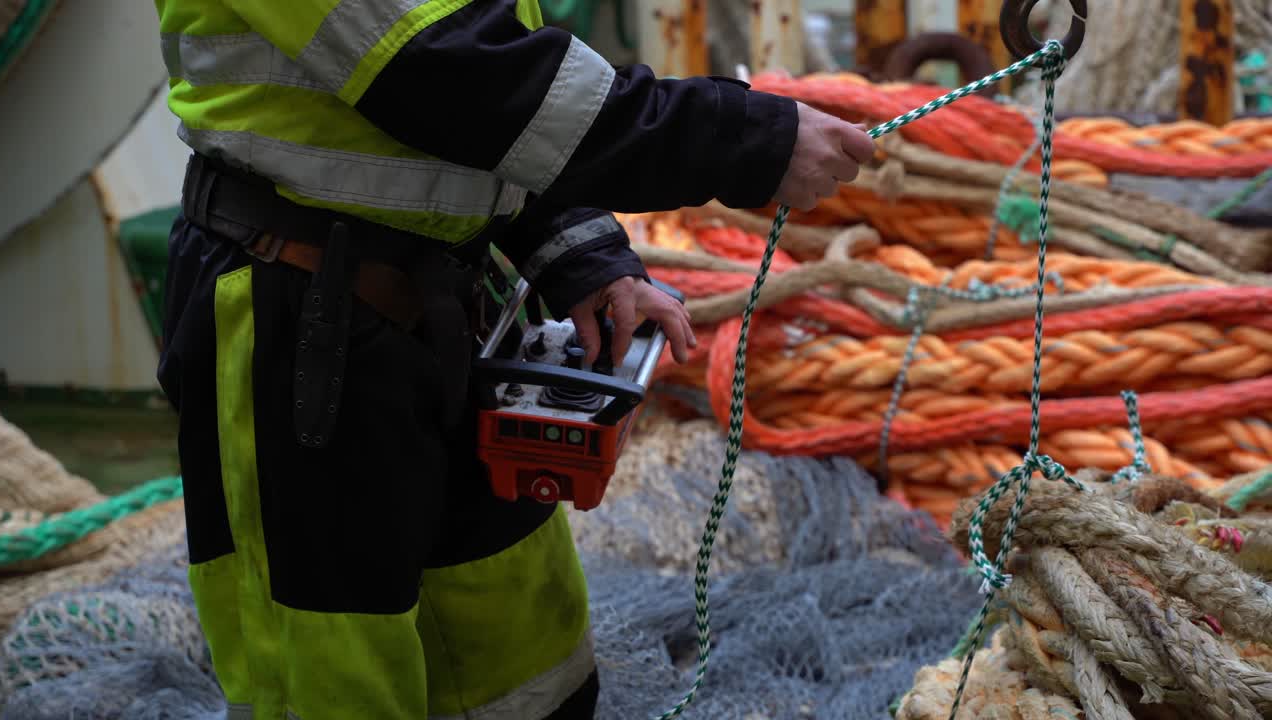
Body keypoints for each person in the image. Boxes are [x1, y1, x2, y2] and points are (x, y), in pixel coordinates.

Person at [152, 1, 875, 719]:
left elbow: (500, 102)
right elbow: (454, 75)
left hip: (440, 314)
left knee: (522, 652)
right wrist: (748, 139)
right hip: (298, 326)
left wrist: (582, 254)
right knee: (335, 666)